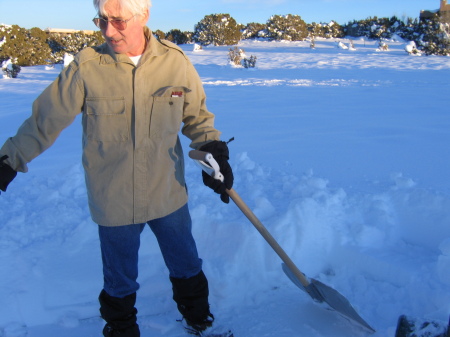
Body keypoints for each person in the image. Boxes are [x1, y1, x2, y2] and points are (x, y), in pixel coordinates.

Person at [0, 0, 234, 336]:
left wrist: (213, 151)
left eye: (119, 21)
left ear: (143, 16)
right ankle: (121, 329)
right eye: (102, 20)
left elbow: (196, 118)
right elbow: (45, 121)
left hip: (166, 192)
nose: (109, 30)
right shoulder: (87, 67)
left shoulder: (175, 63)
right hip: (113, 197)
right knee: (119, 276)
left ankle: (199, 319)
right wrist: (8, 159)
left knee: (185, 263)